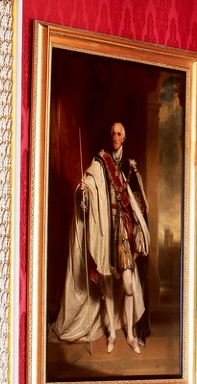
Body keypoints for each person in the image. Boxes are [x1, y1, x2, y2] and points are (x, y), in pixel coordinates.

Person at [54, 121, 152, 353]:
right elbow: (88, 183)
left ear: (124, 138)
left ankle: (129, 333)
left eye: (119, 134)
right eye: (113, 134)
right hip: (106, 232)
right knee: (107, 286)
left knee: (128, 285)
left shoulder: (129, 166)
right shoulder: (100, 163)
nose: (116, 137)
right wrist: (83, 191)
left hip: (124, 233)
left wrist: (138, 230)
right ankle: (110, 335)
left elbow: (138, 204)